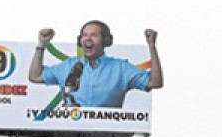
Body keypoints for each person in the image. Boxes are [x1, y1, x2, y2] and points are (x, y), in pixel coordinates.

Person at [29, 20, 163, 108]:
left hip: (107, 131)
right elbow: (35, 76)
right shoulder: (69, 65)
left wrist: (152, 46)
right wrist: (42, 44)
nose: (87, 38)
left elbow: (155, 82)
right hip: (73, 128)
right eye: (84, 35)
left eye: (93, 35)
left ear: (105, 40)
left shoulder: (120, 68)